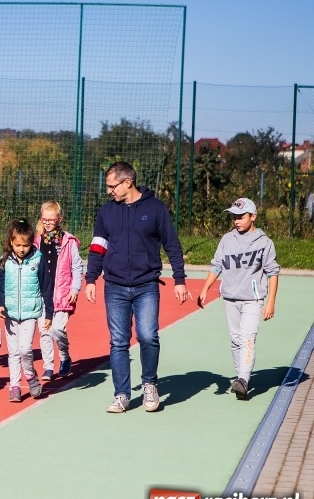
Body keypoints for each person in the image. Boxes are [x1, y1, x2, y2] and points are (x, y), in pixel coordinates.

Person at [84, 161, 189, 414]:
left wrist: (180, 279)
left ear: (127, 182)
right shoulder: (106, 212)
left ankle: (150, 385)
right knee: (118, 341)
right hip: (115, 286)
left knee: (148, 336)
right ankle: (122, 394)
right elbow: (98, 246)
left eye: (112, 186)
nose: (109, 191)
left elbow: (172, 244)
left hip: (146, 286)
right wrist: (90, 279)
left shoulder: (155, 209)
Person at [198, 197, 279, 401]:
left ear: (253, 217)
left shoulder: (264, 243)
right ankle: (241, 378)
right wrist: (206, 288)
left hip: (253, 300)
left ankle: (243, 379)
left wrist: (270, 302)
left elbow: (272, 272)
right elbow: (217, 265)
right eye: (234, 216)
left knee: (247, 338)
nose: (236, 220)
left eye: (241, 216)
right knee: (235, 340)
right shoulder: (227, 240)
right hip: (230, 298)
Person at [0, 219, 52, 403]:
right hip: (10, 314)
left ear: (31, 243)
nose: (21, 249)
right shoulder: (4, 263)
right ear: (11, 242)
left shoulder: (38, 260)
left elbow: (47, 288)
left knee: (25, 349)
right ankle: (15, 386)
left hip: (30, 314)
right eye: (17, 245)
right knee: (13, 353)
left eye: (25, 245)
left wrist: (48, 313)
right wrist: (0, 304)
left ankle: (30, 375)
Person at [35, 201, 83, 381]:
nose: (47, 223)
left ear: (59, 219)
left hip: (63, 294)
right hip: (42, 295)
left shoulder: (68, 241)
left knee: (57, 329)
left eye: (51, 219)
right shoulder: (37, 240)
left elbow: (77, 267)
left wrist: (75, 289)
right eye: (44, 219)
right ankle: (48, 366)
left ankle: (64, 355)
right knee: (44, 331)